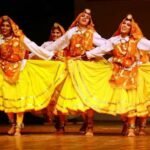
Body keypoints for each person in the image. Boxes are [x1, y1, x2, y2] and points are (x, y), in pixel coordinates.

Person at [34, 8, 110, 136]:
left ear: (90, 20)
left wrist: (91, 54)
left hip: (87, 66)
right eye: (82, 16)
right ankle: (61, 126)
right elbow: (57, 44)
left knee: (87, 95)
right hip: (72, 65)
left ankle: (89, 126)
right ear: (78, 19)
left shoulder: (92, 33)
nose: (85, 17)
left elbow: (106, 44)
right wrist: (37, 54)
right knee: (63, 94)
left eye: (88, 17)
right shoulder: (71, 32)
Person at [82, 14, 150, 136]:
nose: (125, 26)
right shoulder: (114, 40)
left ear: (132, 28)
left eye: (128, 25)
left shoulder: (137, 40)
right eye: (124, 23)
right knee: (106, 95)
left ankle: (131, 128)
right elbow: (101, 49)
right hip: (116, 72)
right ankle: (91, 126)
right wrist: (87, 55)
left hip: (132, 73)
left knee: (131, 100)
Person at [0, 15, 66, 136]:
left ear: (11, 27)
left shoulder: (20, 38)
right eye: (3, 25)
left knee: (19, 99)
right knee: (6, 100)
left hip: (20, 69)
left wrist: (51, 56)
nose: (4, 28)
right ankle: (12, 124)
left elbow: (33, 47)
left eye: (7, 25)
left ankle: (19, 126)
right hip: (3, 70)